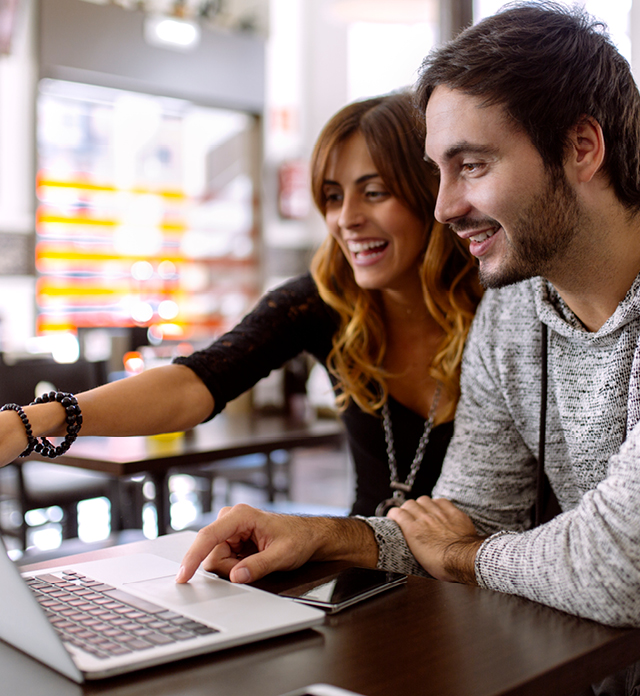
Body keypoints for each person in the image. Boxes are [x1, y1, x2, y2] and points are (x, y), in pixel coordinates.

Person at [175, 0, 640, 657]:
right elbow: (463, 520)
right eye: (437, 173)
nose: (445, 207)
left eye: (472, 166)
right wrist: (319, 535)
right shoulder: (511, 310)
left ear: (581, 148)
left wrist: (463, 558)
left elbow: (622, 568)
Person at [0, 92, 480, 519]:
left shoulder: (501, 307)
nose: (346, 218)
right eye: (332, 196)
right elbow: (196, 381)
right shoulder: (321, 300)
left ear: (431, 191)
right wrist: (31, 421)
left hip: (488, 577)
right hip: (371, 568)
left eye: (374, 192)